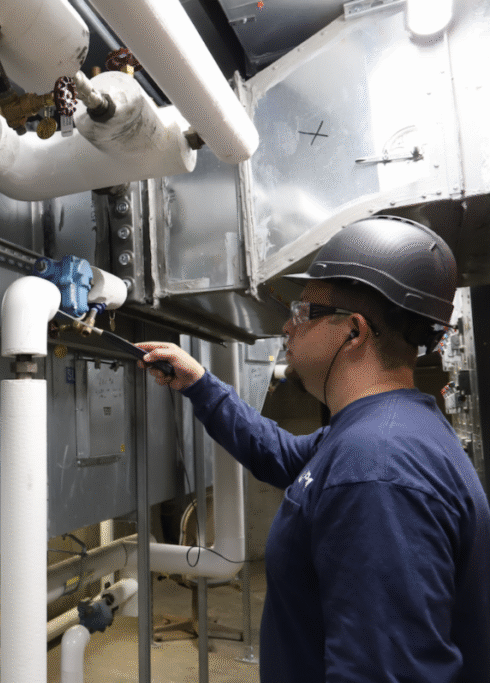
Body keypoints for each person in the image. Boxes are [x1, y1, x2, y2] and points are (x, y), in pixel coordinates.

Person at [137, 215, 490, 683]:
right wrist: (200, 385)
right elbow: (282, 456)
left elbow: (383, 672)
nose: (288, 325)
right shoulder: (383, 430)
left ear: (354, 332)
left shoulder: (376, 469)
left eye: (304, 313)